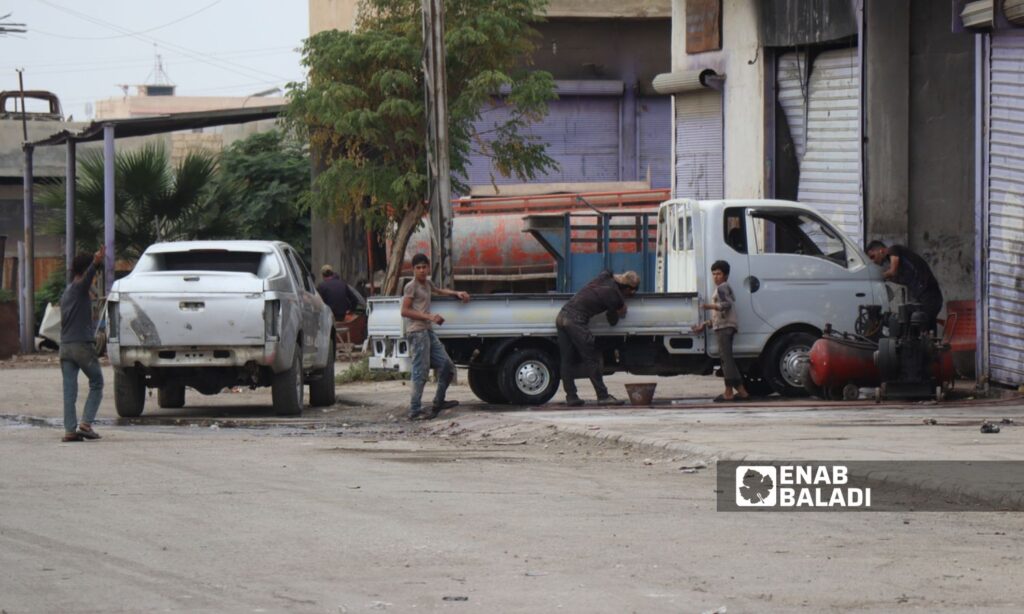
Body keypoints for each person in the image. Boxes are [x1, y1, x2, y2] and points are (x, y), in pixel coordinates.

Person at [400, 253, 471, 420]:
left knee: (447, 366)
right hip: (417, 332)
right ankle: (415, 410)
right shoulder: (411, 286)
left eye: (424, 267)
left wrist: (457, 293)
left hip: (427, 331)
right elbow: (405, 311)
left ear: (428, 268)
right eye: (418, 268)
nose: (422, 270)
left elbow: (439, 290)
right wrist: (429, 317)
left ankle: (439, 401)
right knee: (421, 370)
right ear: (413, 269)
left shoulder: (427, 283)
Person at [556, 270, 639, 407]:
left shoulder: (605, 277)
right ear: (629, 289)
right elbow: (612, 321)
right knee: (592, 358)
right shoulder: (616, 297)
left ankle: (571, 397)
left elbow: (607, 272)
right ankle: (603, 396)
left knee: (566, 360)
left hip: (561, 316)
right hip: (575, 321)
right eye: (632, 291)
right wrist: (621, 310)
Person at [59, 245, 106, 442]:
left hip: (65, 347)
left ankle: (70, 430)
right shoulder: (79, 288)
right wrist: (96, 262)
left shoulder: (67, 291)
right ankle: (85, 424)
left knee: (69, 389)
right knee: (97, 382)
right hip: (81, 346)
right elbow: (88, 277)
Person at [692, 260, 751, 402]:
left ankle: (729, 392)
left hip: (725, 328)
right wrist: (705, 324)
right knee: (727, 360)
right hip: (724, 326)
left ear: (726, 275)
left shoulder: (722, 288)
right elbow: (719, 316)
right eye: (713, 274)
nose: (715, 277)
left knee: (726, 360)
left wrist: (708, 306)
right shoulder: (723, 288)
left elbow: (726, 305)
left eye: (718, 273)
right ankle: (742, 392)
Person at [865, 240, 944, 329]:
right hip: (923, 296)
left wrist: (876, 277)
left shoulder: (893, 250)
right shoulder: (901, 267)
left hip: (930, 294)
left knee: (920, 324)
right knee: (923, 325)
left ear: (881, 250)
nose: (874, 261)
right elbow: (897, 277)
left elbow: (893, 271)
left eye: (873, 256)